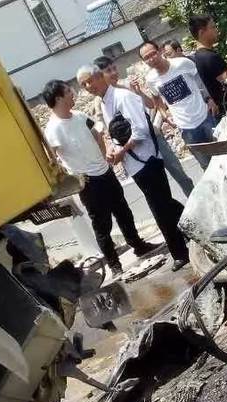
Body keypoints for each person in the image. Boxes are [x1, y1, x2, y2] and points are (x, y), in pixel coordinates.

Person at [77, 64, 189, 271]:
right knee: (165, 203)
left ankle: (180, 254)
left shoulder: (123, 97)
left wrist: (123, 150)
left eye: (89, 80)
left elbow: (141, 130)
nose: (87, 86)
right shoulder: (103, 104)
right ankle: (193, 223)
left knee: (160, 210)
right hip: (134, 164)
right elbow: (112, 133)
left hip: (147, 160)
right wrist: (112, 148)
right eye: (83, 84)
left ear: (100, 76)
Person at [42, 78, 158, 276]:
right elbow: (50, 159)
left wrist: (105, 151)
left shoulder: (78, 115)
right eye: (69, 91)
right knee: (102, 224)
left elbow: (96, 133)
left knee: (123, 211)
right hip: (87, 182)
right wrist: (66, 178)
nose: (73, 93)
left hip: (105, 172)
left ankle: (138, 245)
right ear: (59, 97)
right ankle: (114, 265)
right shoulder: (53, 129)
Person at [95, 56, 194, 200]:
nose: (114, 72)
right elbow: (106, 129)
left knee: (179, 173)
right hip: (135, 149)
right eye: (108, 70)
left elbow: (151, 105)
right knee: (158, 190)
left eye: (114, 68)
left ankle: (194, 202)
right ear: (100, 76)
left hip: (154, 138)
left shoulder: (128, 86)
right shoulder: (101, 100)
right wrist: (111, 148)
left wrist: (139, 92)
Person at [138, 41, 216, 169]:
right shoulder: (151, 79)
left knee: (224, 157)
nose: (152, 59)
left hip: (205, 117)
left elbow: (200, 80)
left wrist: (209, 99)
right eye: (147, 57)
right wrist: (165, 115)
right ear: (144, 62)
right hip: (186, 128)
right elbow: (156, 99)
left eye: (153, 53)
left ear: (160, 51)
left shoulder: (182, 63)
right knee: (206, 166)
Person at [187, 14, 227, 116]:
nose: (216, 30)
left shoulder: (199, 55)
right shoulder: (208, 57)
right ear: (202, 32)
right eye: (213, 27)